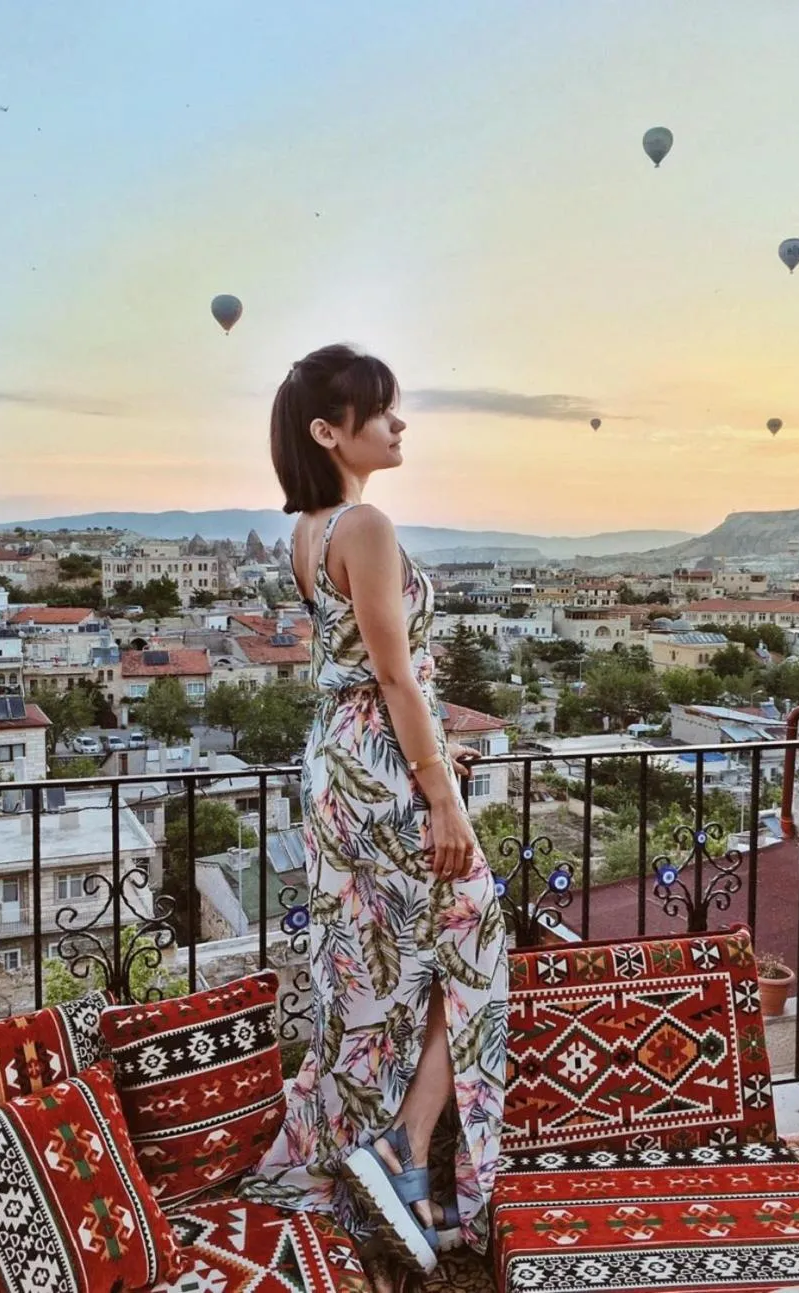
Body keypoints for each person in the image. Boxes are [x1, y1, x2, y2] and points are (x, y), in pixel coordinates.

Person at [238, 344, 508, 1287]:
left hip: (338, 764)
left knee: (374, 966)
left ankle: (387, 1156)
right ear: (329, 430)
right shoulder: (367, 523)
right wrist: (439, 789)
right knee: (473, 937)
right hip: (383, 767)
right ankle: (404, 1146)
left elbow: (358, 674)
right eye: (382, 411)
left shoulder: (306, 531)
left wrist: (420, 755)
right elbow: (394, 674)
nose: (399, 424)